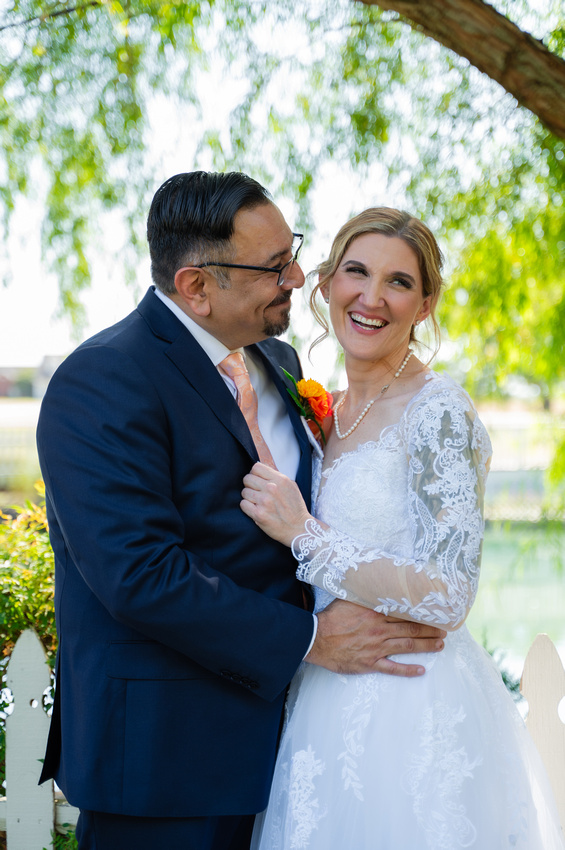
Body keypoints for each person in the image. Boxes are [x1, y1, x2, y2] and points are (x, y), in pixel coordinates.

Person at [36, 175, 447, 850]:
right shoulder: (104, 379)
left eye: (294, 253)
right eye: (273, 266)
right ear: (197, 286)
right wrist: (310, 639)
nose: (298, 278)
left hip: (294, 750)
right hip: (165, 761)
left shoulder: (278, 359)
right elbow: (141, 576)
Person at [241, 207, 565, 849]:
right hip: (322, 690)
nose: (372, 297)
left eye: (399, 282)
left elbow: (450, 592)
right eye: (356, 272)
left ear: (425, 304)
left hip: (411, 704)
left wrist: (305, 535)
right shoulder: (328, 409)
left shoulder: (439, 411)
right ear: (326, 283)